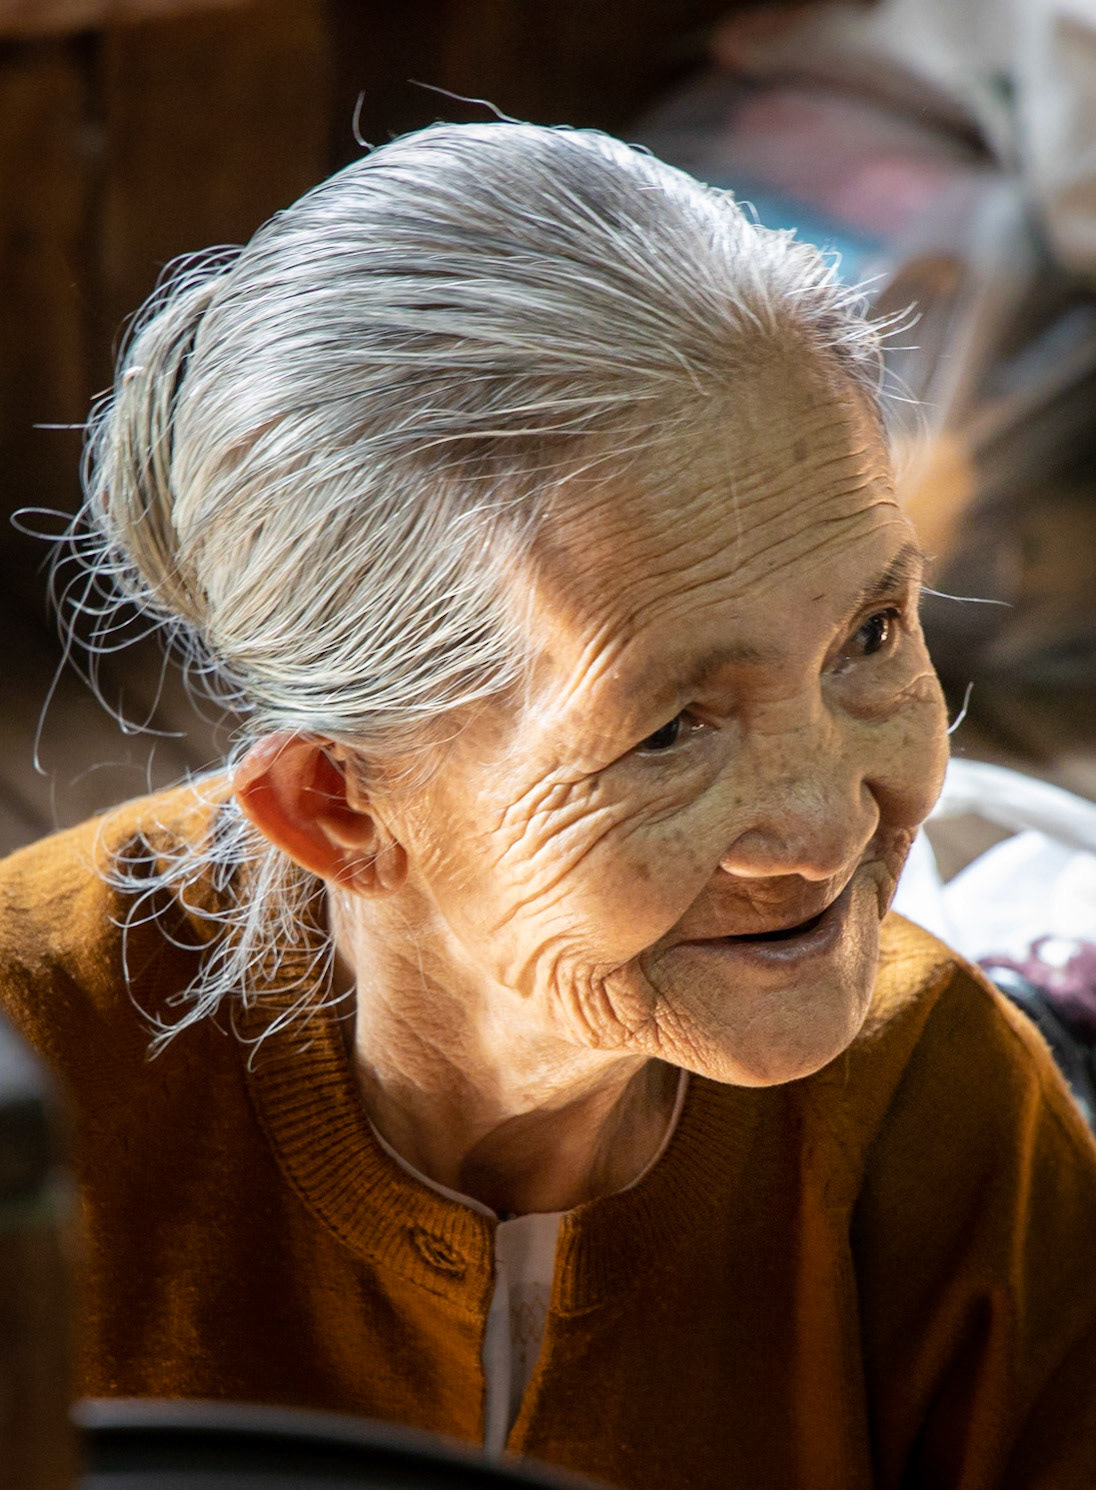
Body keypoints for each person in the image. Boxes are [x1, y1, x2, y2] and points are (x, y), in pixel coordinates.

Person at [2, 122, 1095, 1490]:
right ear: (338, 805)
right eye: (673, 728)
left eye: (870, 633)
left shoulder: (938, 1113)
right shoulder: (33, 1078)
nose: (830, 823)